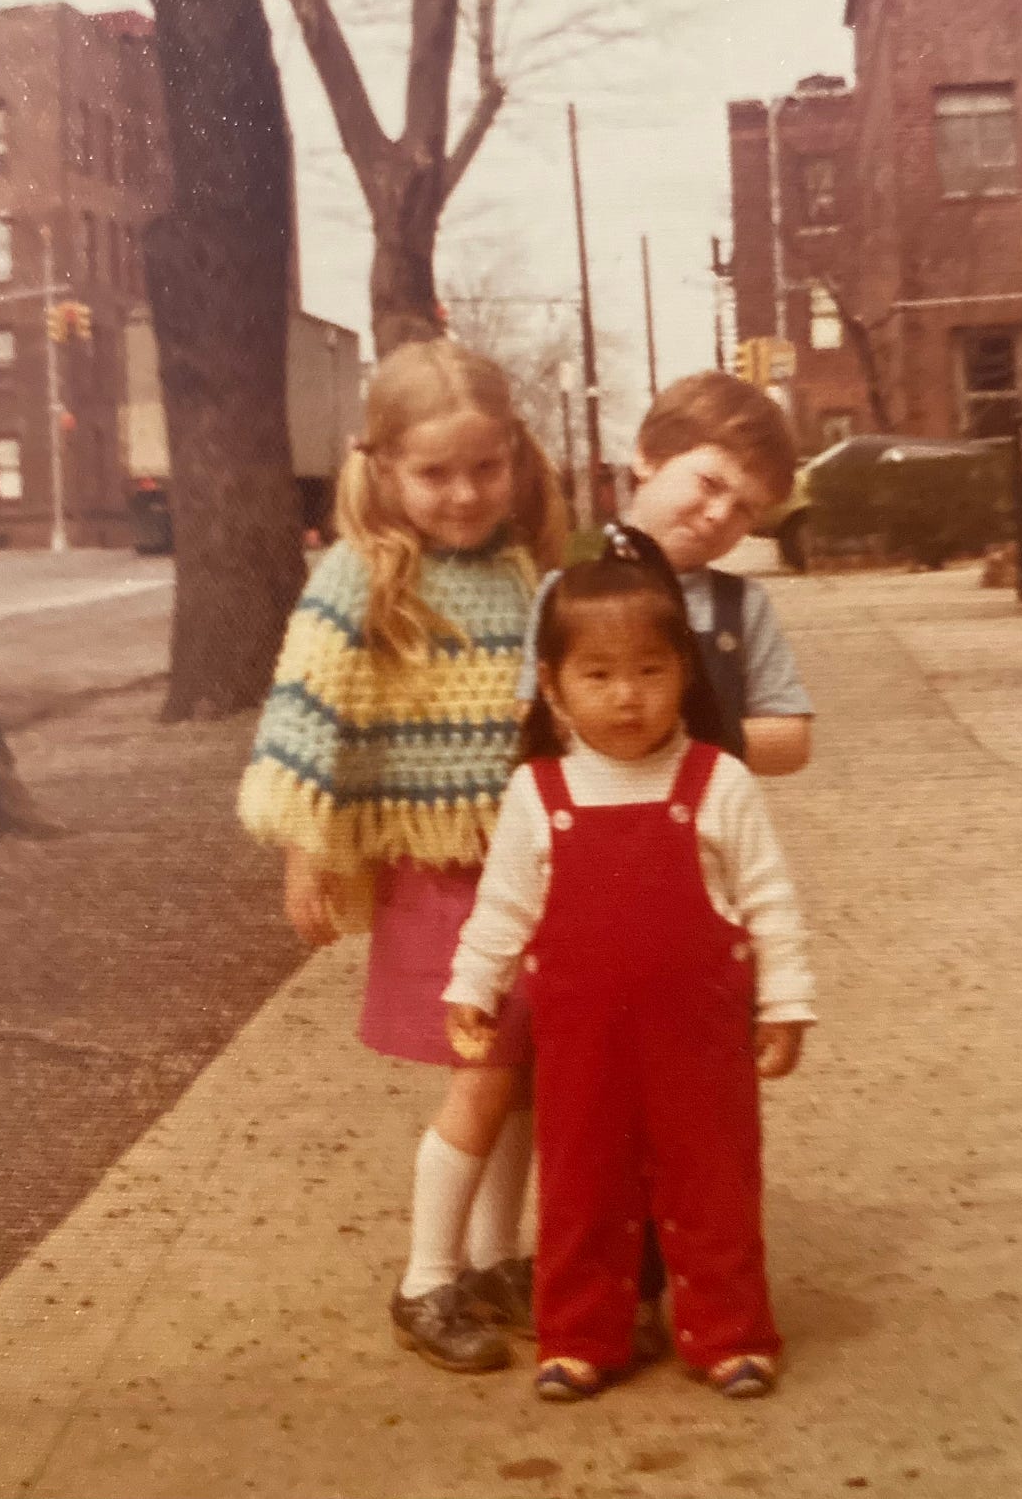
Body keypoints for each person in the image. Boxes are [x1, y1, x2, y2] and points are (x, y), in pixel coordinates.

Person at [237, 341, 569, 1375]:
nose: (464, 493)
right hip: (436, 868)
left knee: (524, 1071)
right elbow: (307, 713)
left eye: (486, 466)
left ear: (515, 456)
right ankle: (425, 1276)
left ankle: (493, 1257)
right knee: (482, 1069)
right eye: (435, 473)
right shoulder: (360, 573)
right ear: (381, 469)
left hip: (527, 867)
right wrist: (309, 852)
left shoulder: (526, 567)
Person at [445, 535, 815, 1401]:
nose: (626, 696)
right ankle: (579, 1334)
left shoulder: (717, 781)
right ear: (554, 684)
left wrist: (787, 1002)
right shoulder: (538, 794)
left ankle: (729, 1331)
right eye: (599, 675)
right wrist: (472, 985)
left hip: (703, 1039)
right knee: (579, 1185)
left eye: (650, 670)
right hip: (582, 1043)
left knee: (716, 1182)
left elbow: (771, 903)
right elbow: (501, 909)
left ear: (684, 671)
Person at [519, 371, 815, 1352]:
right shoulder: (571, 582)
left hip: (698, 870)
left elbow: (791, 735)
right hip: (593, 870)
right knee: (592, 1116)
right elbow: (540, 727)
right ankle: (609, 1295)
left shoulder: (737, 605)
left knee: (697, 1110)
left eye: (746, 507)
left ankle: (711, 1301)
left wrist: (700, 741)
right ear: (646, 457)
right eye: (708, 481)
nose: (721, 514)